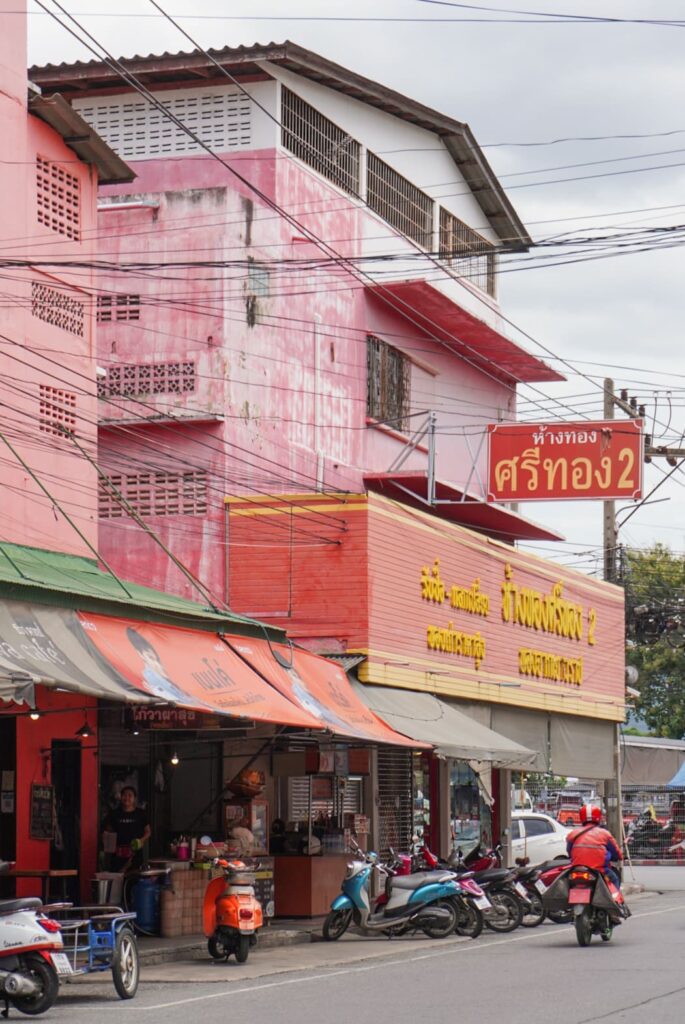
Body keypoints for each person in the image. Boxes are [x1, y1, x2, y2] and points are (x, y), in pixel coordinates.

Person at [566, 804, 622, 888]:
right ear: (598, 817)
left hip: (577, 869)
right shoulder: (605, 834)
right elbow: (616, 853)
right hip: (599, 870)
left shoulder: (573, 834)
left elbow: (569, 851)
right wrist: (620, 856)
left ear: (581, 817)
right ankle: (615, 900)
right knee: (614, 879)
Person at [102, 786, 151, 871]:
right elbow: (107, 832)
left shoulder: (140, 814)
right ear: (121, 797)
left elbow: (148, 831)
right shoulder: (114, 814)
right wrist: (106, 840)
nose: (127, 798)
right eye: (124, 795)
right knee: (117, 881)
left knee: (134, 880)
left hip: (135, 856)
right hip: (117, 857)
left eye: (130, 795)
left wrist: (141, 840)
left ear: (134, 798)